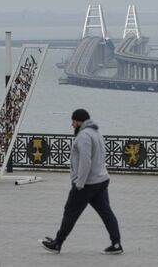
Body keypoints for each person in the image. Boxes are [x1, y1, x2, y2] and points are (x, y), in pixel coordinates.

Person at [38, 109, 122, 255]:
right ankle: (116, 244)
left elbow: (85, 160)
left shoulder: (84, 135)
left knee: (70, 212)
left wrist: (80, 183)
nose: (72, 124)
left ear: (79, 122)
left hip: (87, 184)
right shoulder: (96, 133)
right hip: (101, 180)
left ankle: (57, 243)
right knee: (106, 212)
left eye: (73, 121)